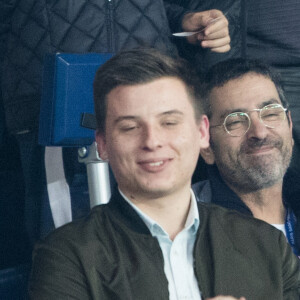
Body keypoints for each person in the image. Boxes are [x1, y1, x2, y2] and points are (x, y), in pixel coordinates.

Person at [29, 48, 300, 299]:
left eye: (169, 122)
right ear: (102, 144)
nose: (153, 141)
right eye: (130, 127)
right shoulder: (67, 256)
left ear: (201, 132)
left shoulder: (268, 244)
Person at [0, 0, 230, 249]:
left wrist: (184, 22)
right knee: (71, 249)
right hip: (60, 102)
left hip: (151, 98)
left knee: (160, 240)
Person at [193, 58, 300, 256]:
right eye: (234, 121)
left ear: (290, 125)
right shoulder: (187, 225)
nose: (259, 132)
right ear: (206, 146)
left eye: (270, 113)